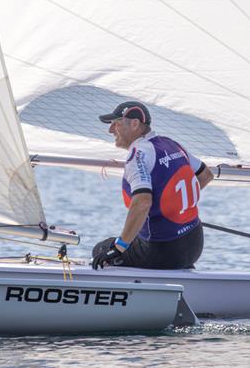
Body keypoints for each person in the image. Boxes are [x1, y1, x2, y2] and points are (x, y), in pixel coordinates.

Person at [92, 101, 214, 270]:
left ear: (135, 124)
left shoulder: (138, 155)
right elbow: (206, 175)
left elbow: (142, 203)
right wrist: (174, 204)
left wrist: (119, 247)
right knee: (133, 239)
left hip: (162, 250)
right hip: (194, 244)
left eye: (116, 124)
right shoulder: (172, 144)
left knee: (101, 249)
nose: (110, 130)